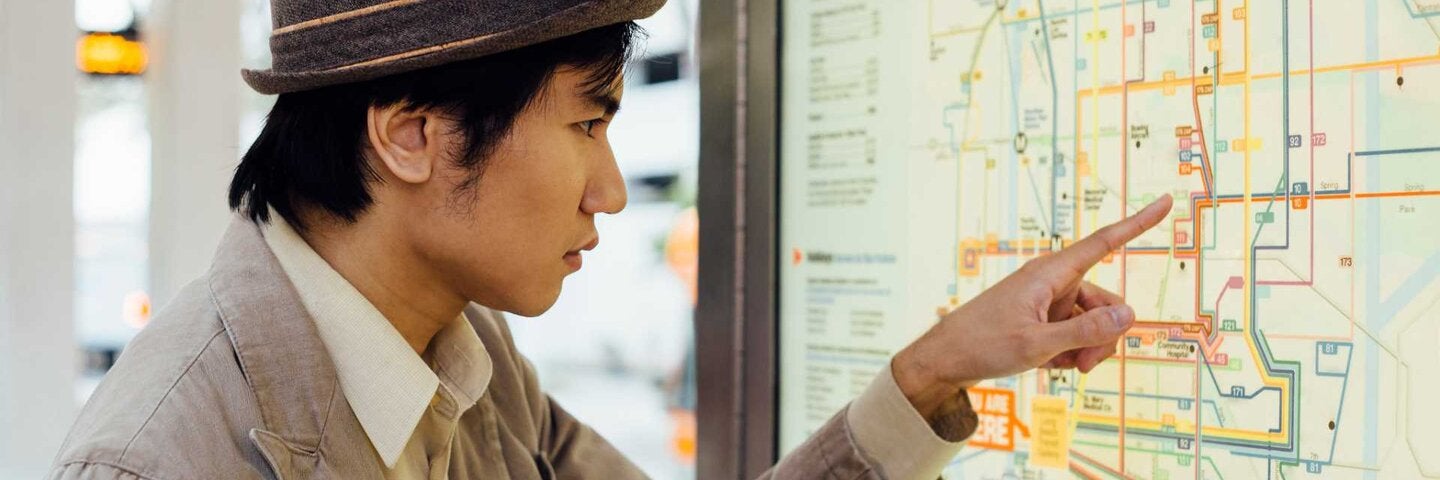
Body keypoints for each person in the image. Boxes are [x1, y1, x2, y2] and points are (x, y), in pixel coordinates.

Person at [48, 1, 1175, 479]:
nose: (612, 190)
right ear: (412, 134)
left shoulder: (471, 365)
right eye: (588, 124)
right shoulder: (157, 459)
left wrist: (936, 370)